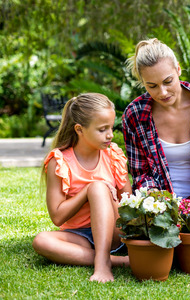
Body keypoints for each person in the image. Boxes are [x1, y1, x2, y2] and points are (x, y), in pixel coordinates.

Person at [122, 38, 190, 262]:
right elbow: (141, 174)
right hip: (159, 207)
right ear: (143, 82)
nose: (162, 92)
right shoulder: (134, 115)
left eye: (168, 81)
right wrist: (163, 210)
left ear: (178, 69)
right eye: (152, 86)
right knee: (166, 252)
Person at [32, 93, 132, 283]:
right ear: (79, 129)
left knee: (97, 188)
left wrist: (102, 193)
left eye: (111, 127)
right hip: (81, 236)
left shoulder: (113, 155)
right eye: (102, 129)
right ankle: (119, 261)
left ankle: (102, 265)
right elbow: (58, 217)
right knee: (41, 241)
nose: (110, 134)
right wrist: (86, 191)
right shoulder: (59, 161)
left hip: (114, 233)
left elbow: (129, 205)